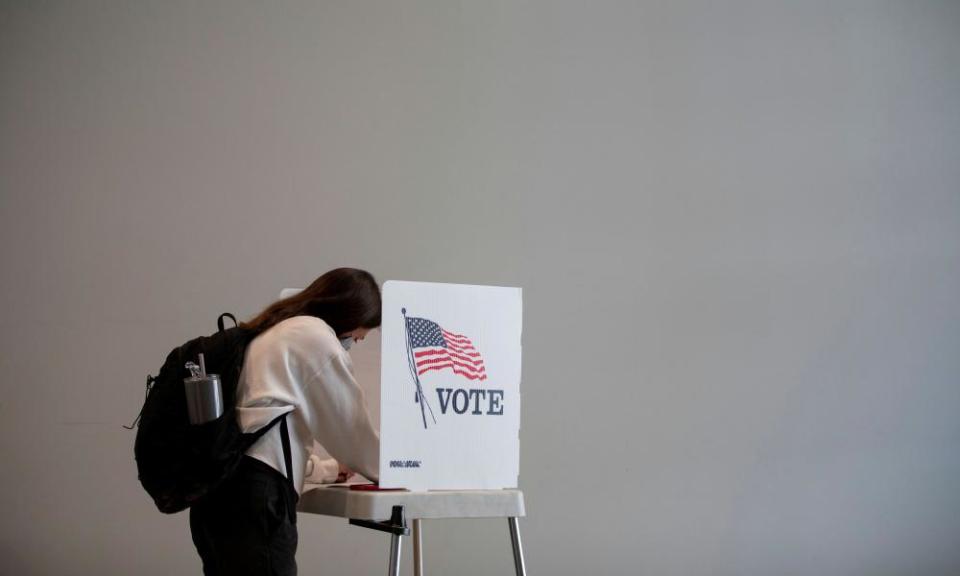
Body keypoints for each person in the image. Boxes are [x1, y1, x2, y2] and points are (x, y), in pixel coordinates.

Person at [189, 267, 382, 576]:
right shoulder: (316, 338)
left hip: (217, 495)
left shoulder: (273, 332)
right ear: (351, 314)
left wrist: (329, 469)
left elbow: (263, 435)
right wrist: (397, 466)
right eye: (361, 334)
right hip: (254, 503)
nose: (358, 340)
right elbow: (352, 432)